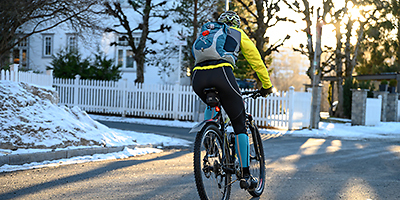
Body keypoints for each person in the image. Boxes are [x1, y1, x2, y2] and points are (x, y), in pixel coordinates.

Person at [191, 11, 275, 190]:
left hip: (198, 77)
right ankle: (246, 176)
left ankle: (210, 138)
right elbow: (256, 61)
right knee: (239, 124)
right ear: (236, 24)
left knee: (212, 103)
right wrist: (266, 85)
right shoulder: (237, 33)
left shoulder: (210, 32)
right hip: (221, 74)